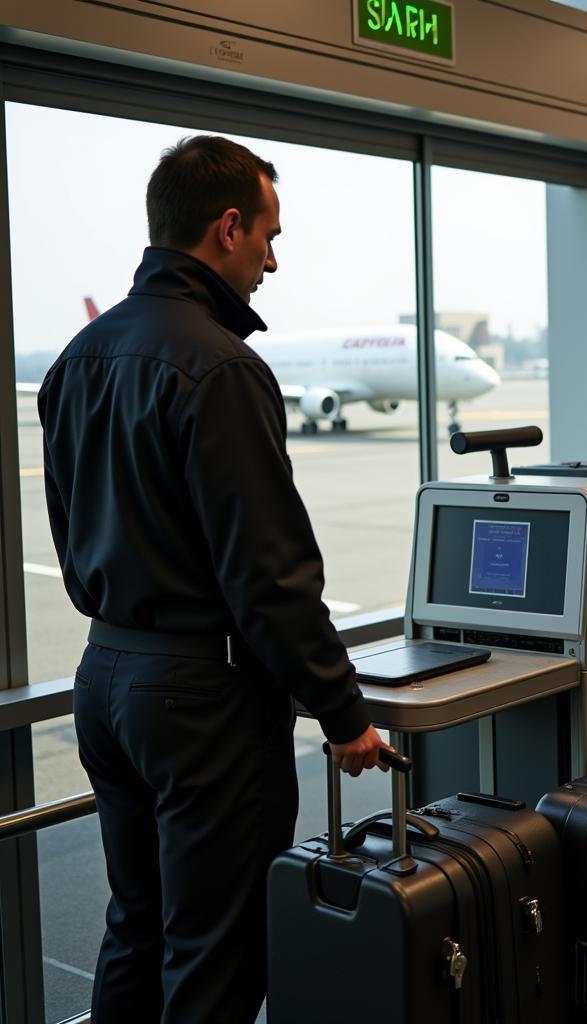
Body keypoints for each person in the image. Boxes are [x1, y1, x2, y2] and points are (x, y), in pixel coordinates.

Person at [37, 135, 389, 1023]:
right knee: (216, 956)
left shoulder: (76, 360)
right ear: (228, 228)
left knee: (137, 928)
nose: (273, 260)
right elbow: (268, 575)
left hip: (105, 680)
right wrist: (342, 714)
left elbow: (71, 528)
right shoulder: (223, 367)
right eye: (270, 236)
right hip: (202, 702)